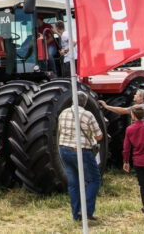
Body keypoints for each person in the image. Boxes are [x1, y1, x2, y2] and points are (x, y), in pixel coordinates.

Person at [57, 91, 103, 222]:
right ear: (85, 102)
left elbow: (60, 131)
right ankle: (86, 211)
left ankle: (76, 214)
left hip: (64, 149)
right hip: (81, 151)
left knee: (73, 183)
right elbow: (99, 136)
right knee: (94, 180)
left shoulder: (63, 113)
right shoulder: (88, 115)